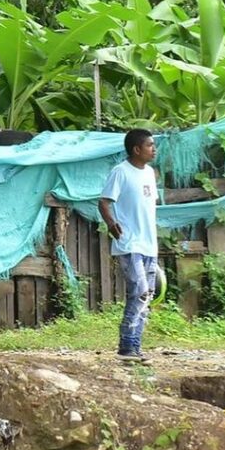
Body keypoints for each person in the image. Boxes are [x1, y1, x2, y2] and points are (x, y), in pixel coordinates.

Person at [99, 129, 159, 362]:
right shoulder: (120, 172)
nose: (154, 149)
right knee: (140, 292)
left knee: (148, 294)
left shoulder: (150, 173)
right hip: (130, 243)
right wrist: (112, 224)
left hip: (149, 244)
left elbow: (148, 207)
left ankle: (136, 345)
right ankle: (127, 345)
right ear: (136, 149)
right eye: (150, 145)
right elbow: (104, 202)